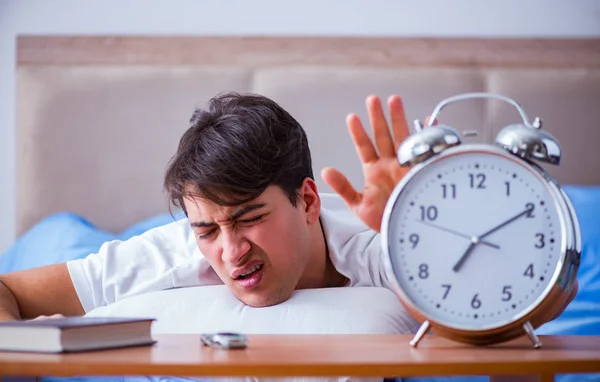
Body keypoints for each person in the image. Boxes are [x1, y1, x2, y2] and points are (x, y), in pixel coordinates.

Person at [0, 92, 576, 321]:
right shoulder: (174, 251)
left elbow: (538, 310)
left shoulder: (380, 248)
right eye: (209, 229)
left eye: (250, 217)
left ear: (307, 201)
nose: (230, 252)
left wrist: (421, 234)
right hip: (132, 236)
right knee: (58, 233)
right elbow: (9, 292)